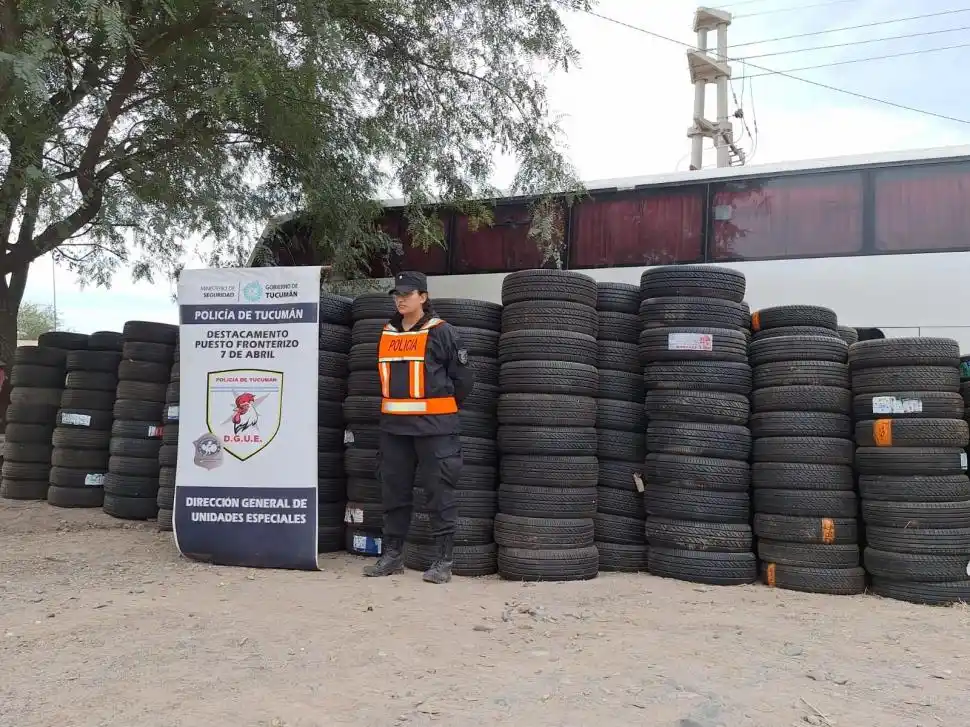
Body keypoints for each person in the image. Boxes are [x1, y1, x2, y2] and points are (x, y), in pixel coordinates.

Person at [363, 271, 475, 583]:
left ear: (423, 297)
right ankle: (392, 556)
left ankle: (443, 561)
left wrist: (443, 410)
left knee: (440, 493)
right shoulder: (386, 332)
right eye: (397, 294)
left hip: (435, 428)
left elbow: (464, 379)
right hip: (394, 430)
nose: (400, 299)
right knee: (393, 493)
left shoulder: (442, 332)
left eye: (407, 294)